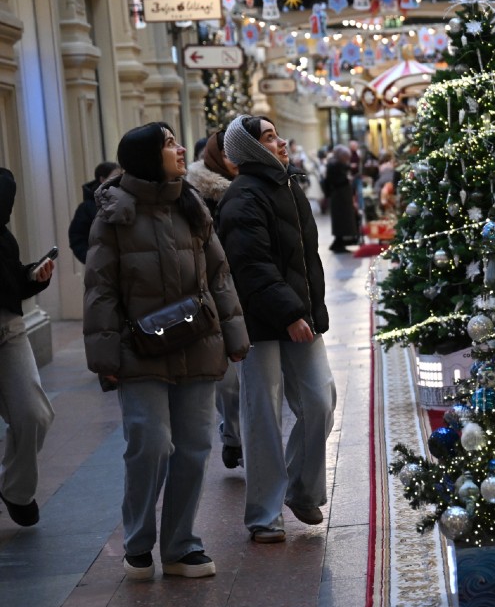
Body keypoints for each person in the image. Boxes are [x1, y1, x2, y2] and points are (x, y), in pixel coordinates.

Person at [84, 123, 249, 580]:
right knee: (150, 443)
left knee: (194, 447)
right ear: (146, 156)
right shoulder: (114, 212)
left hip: (197, 342)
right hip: (139, 349)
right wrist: (105, 358)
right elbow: (101, 290)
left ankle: (180, 546)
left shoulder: (190, 203)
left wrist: (236, 337)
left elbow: (219, 276)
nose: (180, 150)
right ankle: (138, 543)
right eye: (169, 144)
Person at [218, 115, 336, 543]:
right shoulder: (241, 198)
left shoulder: (289, 185)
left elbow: (303, 260)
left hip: (300, 315)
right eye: (269, 137)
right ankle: (265, 513)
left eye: (276, 134)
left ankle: (302, 490)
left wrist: (307, 310)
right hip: (263, 321)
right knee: (262, 413)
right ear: (250, 149)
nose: (281, 142)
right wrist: (289, 312)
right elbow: (251, 266)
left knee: (320, 400)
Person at [0, 168, 56, 527]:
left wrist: (33, 277)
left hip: (8, 328)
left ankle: (15, 489)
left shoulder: (3, 237)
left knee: (34, 414)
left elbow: (10, 282)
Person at [186, 129, 243, 470]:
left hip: (252, 289)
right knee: (229, 382)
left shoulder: (255, 186)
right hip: (216, 293)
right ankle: (233, 435)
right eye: (227, 152)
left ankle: (240, 436)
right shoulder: (194, 195)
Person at [68, 161, 119, 264]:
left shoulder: (124, 201)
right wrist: (92, 259)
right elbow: (77, 237)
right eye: (115, 177)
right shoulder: (87, 207)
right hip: (101, 267)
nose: (119, 181)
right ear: (102, 180)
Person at [323, 145, 358, 253]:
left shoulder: (335, 163)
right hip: (339, 197)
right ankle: (339, 243)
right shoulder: (335, 164)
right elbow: (336, 180)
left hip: (340, 196)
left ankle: (338, 243)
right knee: (341, 220)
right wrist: (347, 179)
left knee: (341, 221)